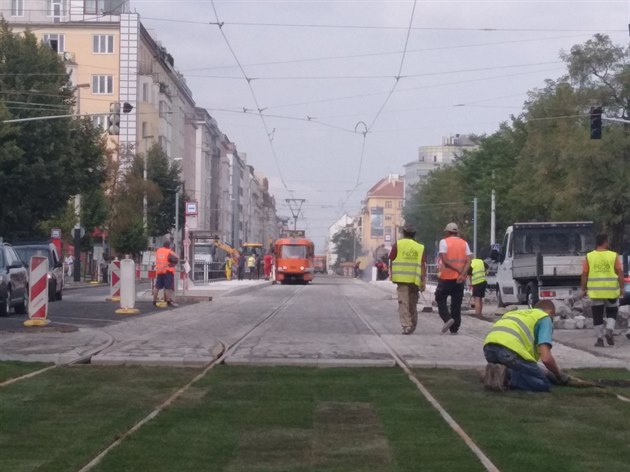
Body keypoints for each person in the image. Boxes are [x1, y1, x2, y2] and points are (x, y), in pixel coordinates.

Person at [483, 300, 570, 392]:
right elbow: (546, 359)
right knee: (543, 383)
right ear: (551, 313)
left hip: (489, 348)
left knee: (523, 372)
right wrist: (559, 375)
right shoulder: (544, 318)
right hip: (510, 350)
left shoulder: (516, 313)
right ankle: (504, 376)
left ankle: (493, 373)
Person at [581, 233, 624, 347]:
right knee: (612, 311)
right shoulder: (613, 255)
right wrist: (622, 288)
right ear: (605, 242)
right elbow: (620, 272)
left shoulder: (589, 256)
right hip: (611, 290)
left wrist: (583, 289)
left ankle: (600, 339)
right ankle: (609, 329)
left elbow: (585, 274)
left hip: (596, 291)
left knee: (597, 314)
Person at [435, 222, 473, 334]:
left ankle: (447, 319)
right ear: (456, 232)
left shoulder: (444, 242)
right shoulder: (464, 243)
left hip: (446, 278)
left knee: (440, 298)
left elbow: (445, 260)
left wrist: (457, 270)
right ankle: (455, 328)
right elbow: (469, 260)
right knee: (456, 303)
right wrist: (462, 273)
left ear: (447, 232)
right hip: (459, 279)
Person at [389, 224, 427, 335]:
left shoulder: (397, 244)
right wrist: (423, 280)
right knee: (412, 303)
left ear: (404, 233)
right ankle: (412, 324)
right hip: (414, 280)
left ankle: (406, 325)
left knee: (403, 303)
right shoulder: (420, 247)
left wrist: (392, 273)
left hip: (401, 279)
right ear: (414, 234)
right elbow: (423, 265)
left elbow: (392, 260)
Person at [153, 241, 178, 307]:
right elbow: (176, 257)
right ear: (168, 246)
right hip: (167, 271)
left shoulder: (158, 251)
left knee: (157, 287)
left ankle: (154, 301)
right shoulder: (169, 251)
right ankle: (168, 301)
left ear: (163, 245)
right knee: (167, 287)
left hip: (159, 271)